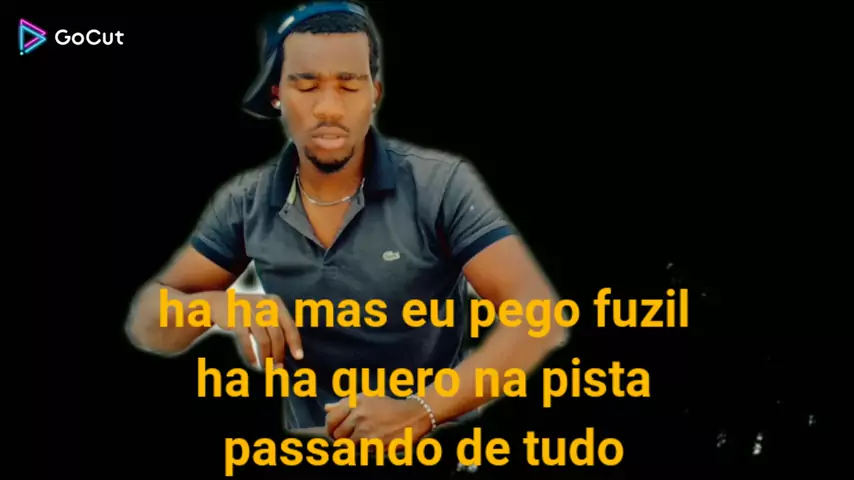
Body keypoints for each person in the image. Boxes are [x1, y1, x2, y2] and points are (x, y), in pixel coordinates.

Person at [125, 1, 568, 447]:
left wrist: (421, 411)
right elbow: (147, 323)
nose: (329, 108)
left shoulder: (440, 185)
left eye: (349, 85)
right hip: (308, 448)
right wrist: (219, 306)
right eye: (307, 85)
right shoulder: (245, 201)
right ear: (277, 95)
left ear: (375, 93)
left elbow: (540, 317)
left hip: (435, 446)